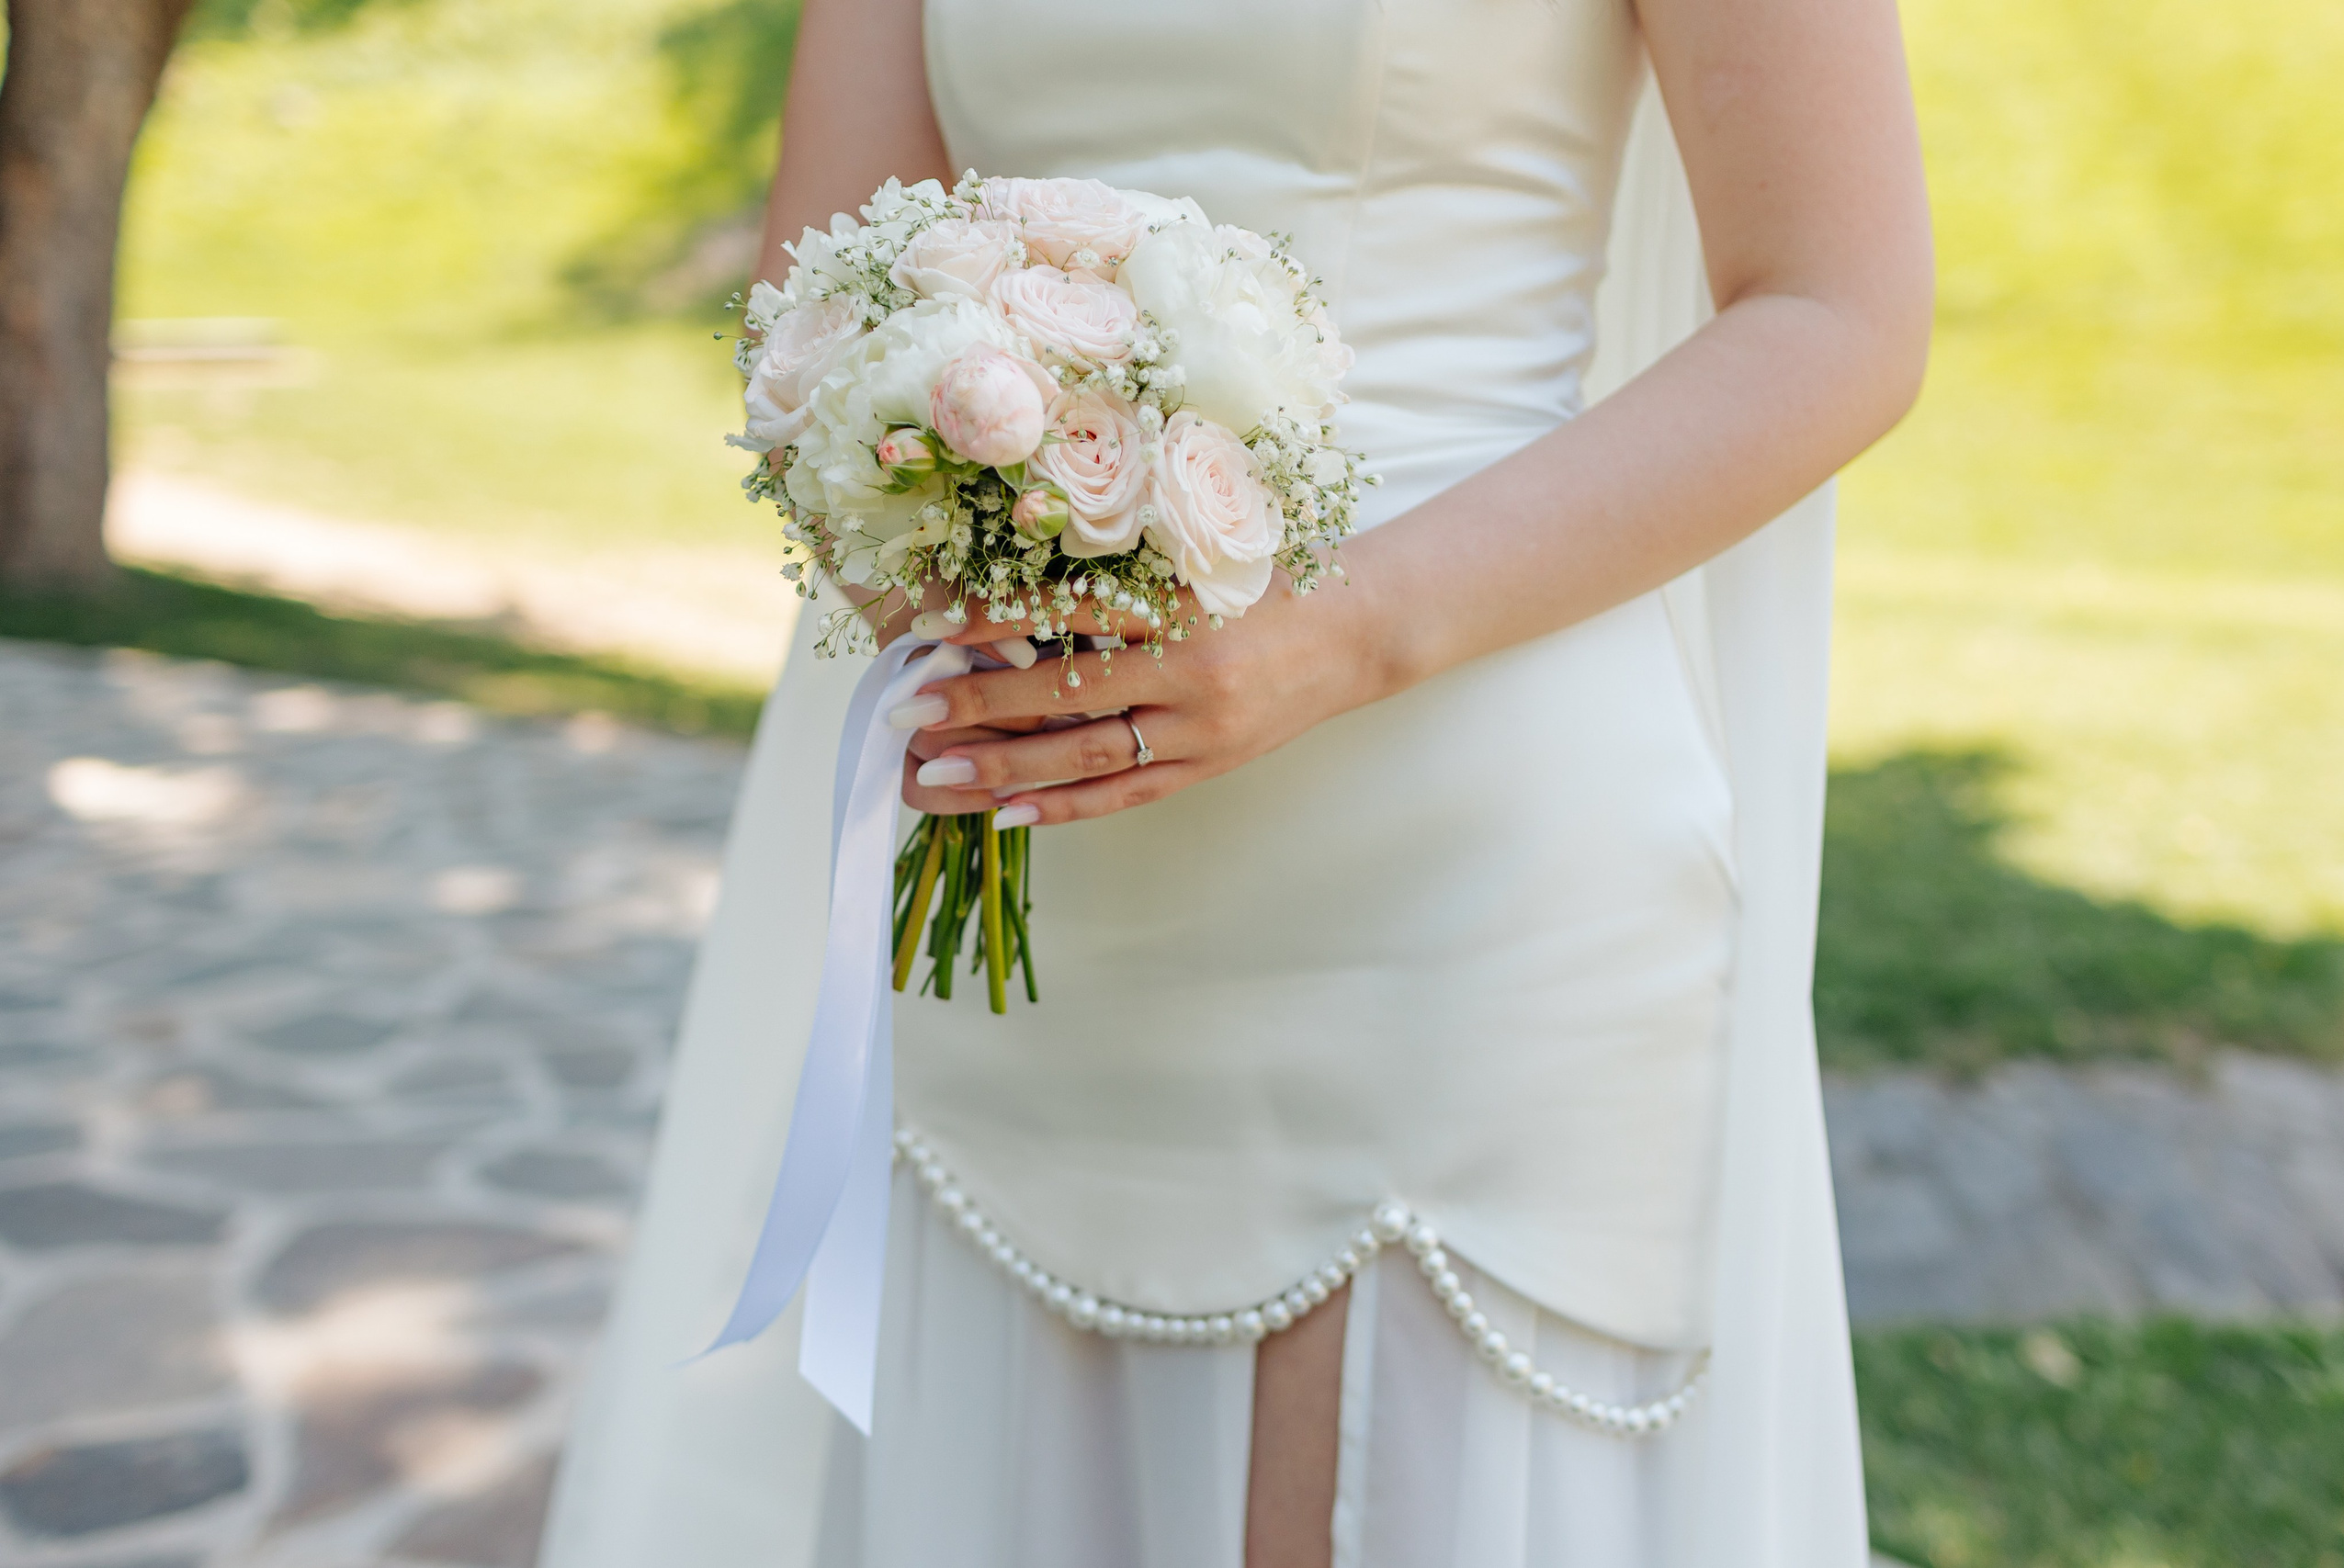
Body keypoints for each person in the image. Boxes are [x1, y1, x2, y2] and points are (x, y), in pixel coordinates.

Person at [542, 0, 1931, 1563]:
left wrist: (1330, 641)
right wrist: (953, 566)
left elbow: (1836, 310)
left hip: (1465, 844)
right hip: (1037, 868)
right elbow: (812, 301)